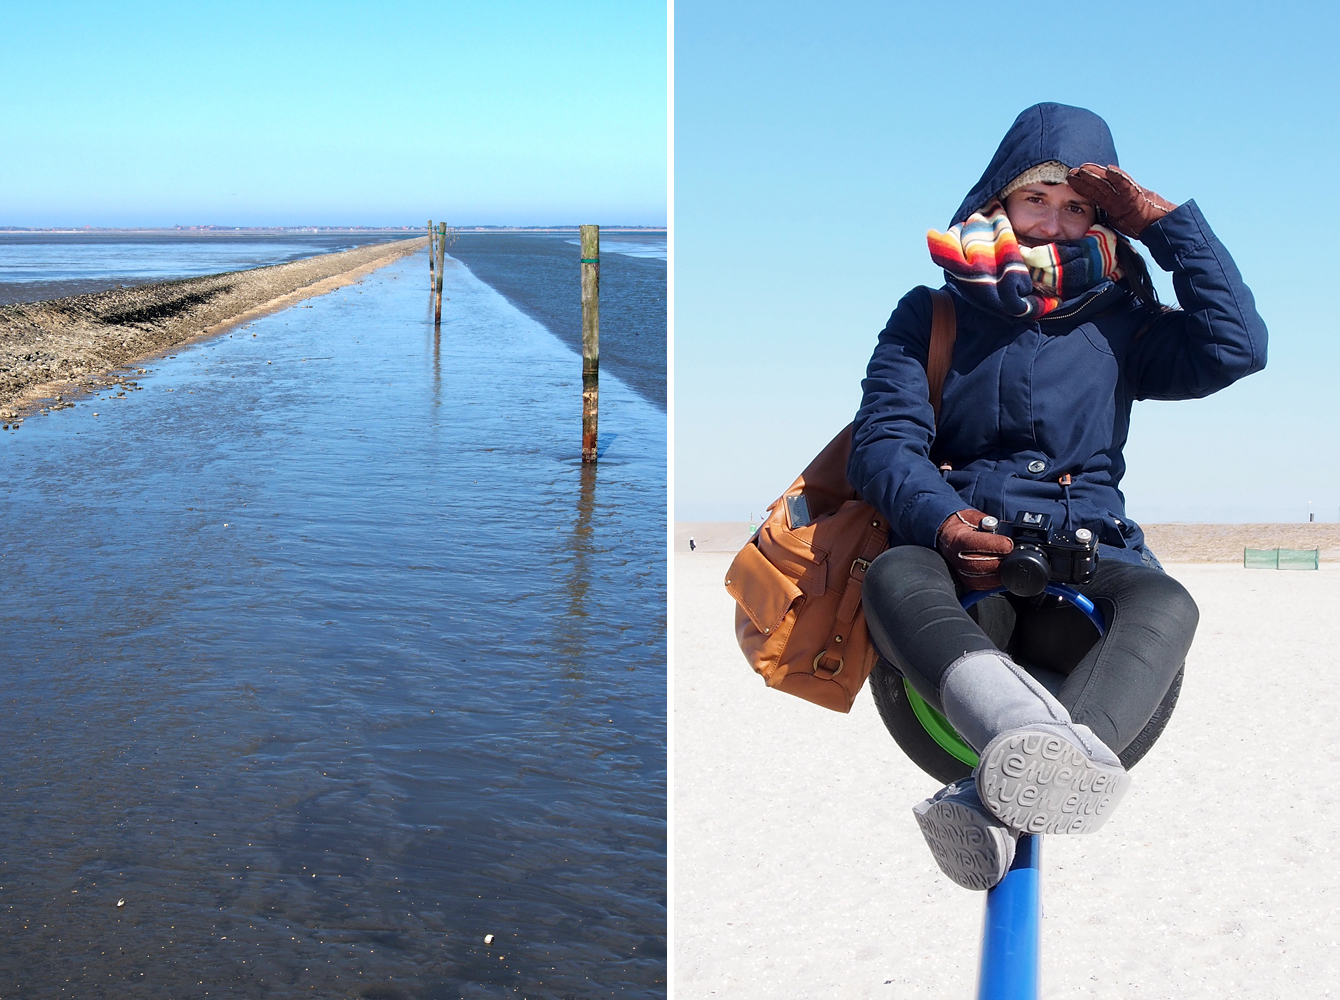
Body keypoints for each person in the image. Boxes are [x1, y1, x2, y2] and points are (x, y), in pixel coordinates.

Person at [847, 103, 1267, 890]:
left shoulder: (1126, 321)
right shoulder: (931, 313)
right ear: (996, 201)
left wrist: (1166, 225)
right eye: (1036, 199)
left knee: (1170, 603)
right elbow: (882, 445)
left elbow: (1238, 348)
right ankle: (1019, 736)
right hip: (966, 556)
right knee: (892, 575)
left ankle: (996, 792)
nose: (1053, 222)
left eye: (1078, 207)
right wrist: (945, 523)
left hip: (1088, 551)